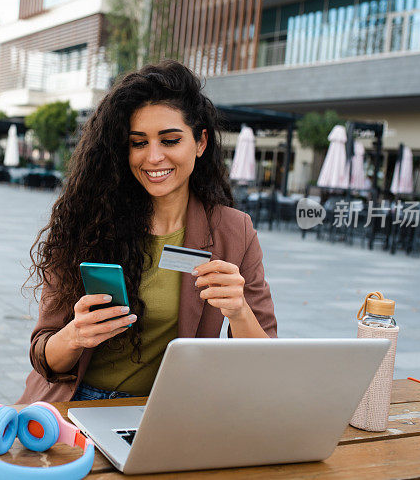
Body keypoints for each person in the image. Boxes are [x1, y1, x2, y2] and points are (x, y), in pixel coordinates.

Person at [18, 60, 277, 404]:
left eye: (170, 140)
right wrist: (75, 335)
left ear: (200, 143)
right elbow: (43, 354)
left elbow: (267, 362)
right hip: (72, 404)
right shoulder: (87, 220)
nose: (153, 157)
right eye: (138, 143)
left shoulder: (234, 230)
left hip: (164, 410)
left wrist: (239, 311)